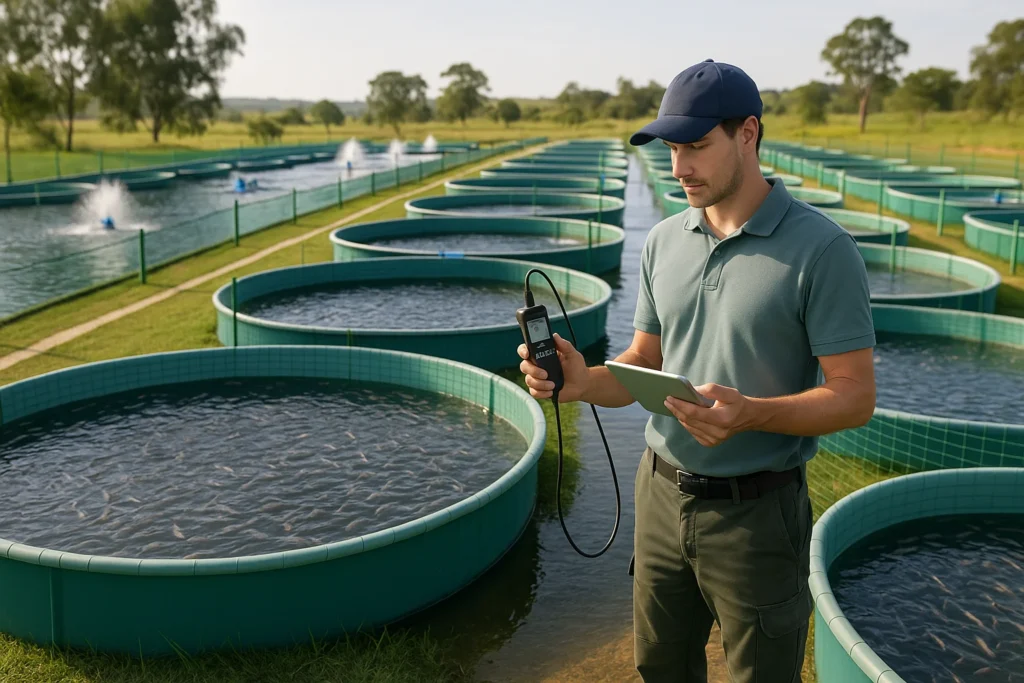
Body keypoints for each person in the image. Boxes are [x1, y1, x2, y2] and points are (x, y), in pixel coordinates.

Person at [517, 59, 877, 683]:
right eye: (672, 148)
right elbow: (644, 361)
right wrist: (584, 381)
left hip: (758, 513)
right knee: (660, 666)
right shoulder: (663, 240)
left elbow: (854, 396)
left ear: (748, 134)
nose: (679, 166)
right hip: (659, 494)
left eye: (696, 146)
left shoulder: (821, 250)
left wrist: (753, 413)